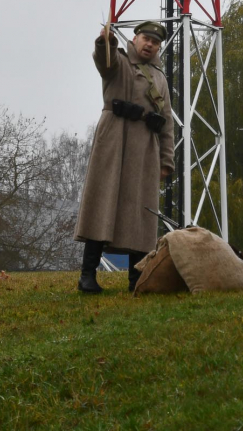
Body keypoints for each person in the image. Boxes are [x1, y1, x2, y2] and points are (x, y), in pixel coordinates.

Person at [74, 22, 175, 293]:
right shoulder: (118, 62)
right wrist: (104, 41)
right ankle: (87, 276)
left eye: (155, 41)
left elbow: (166, 121)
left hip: (144, 147)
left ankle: (137, 279)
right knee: (102, 204)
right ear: (135, 38)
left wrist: (167, 159)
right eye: (145, 38)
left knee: (140, 213)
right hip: (114, 140)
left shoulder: (160, 77)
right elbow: (103, 61)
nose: (150, 44)